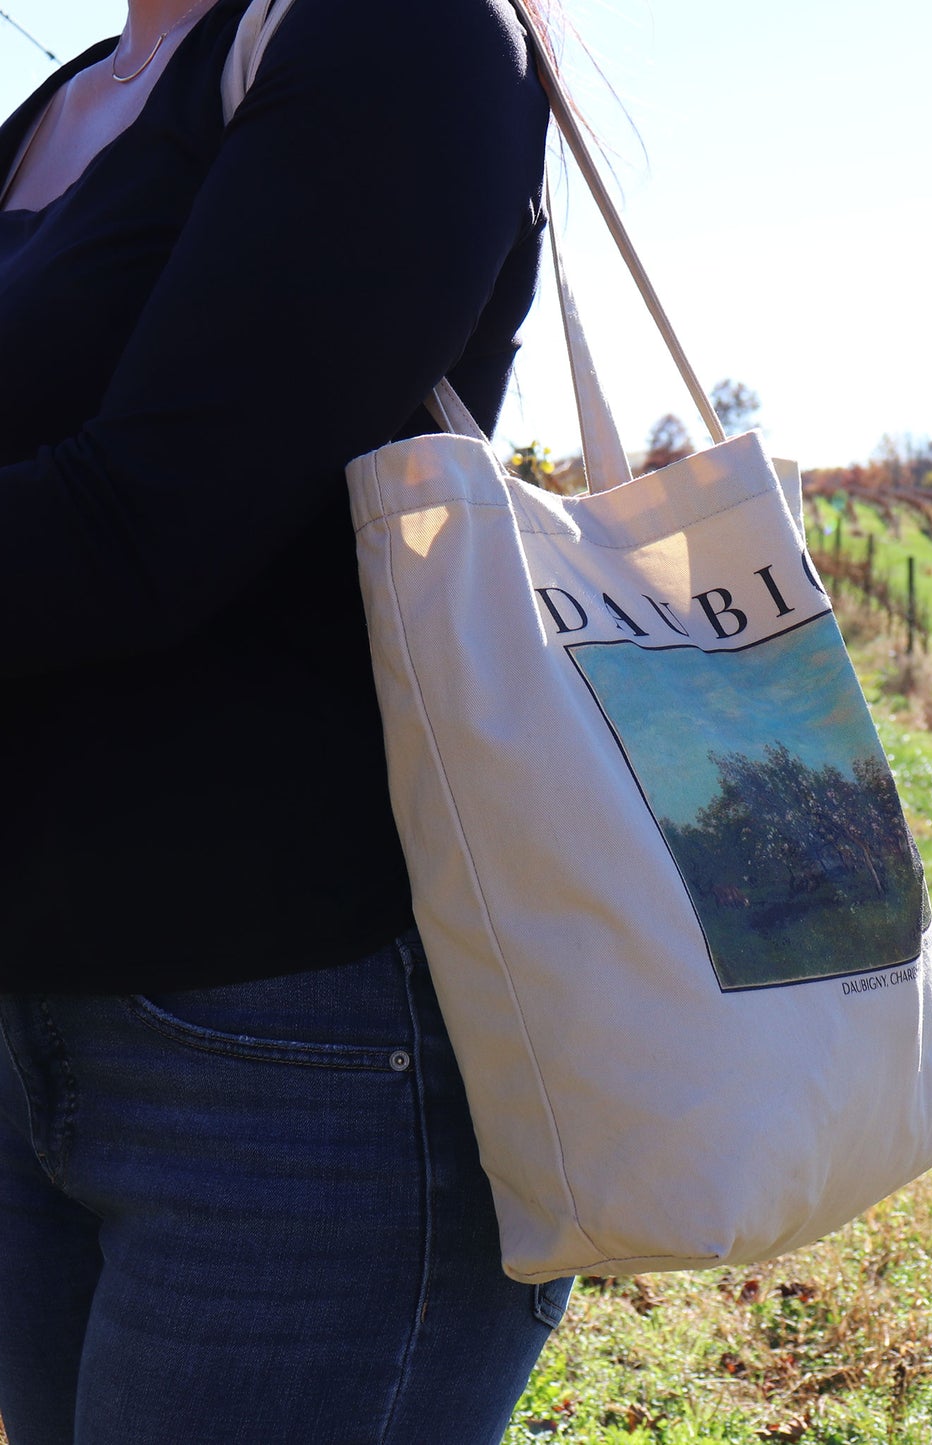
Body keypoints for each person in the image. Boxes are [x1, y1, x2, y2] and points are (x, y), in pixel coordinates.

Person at [0, 0, 570, 1440]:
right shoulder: (73, 101)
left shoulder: (405, 33)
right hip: (29, 1012)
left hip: (290, 1059)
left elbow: (142, 528)